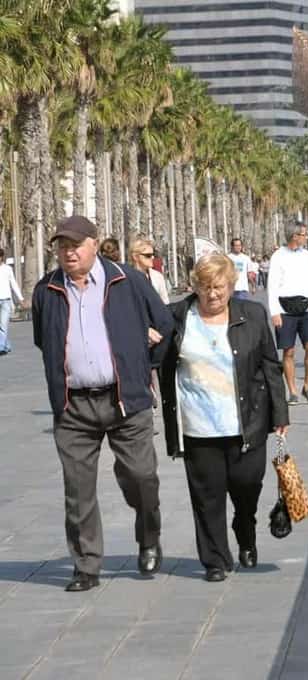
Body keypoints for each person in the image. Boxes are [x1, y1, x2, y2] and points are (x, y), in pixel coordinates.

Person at [32, 216, 173, 592]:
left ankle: (148, 536)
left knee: (141, 477)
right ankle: (86, 566)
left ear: (94, 243)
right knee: (78, 491)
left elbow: (165, 322)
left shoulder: (126, 281)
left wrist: (146, 361)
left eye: (76, 244)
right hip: (73, 406)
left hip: (125, 399)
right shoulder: (46, 290)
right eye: (62, 246)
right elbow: (44, 339)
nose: (69, 251)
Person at [158, 253, 289, 582]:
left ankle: (245, 527)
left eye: (218, 287)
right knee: (207, 496)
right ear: (194, 287)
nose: (212, 294)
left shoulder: (253, 315)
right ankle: (215, 559)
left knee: (248, 485)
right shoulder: (177, 317)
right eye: (204, 287)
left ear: (231, 286)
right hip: (198, 425)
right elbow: (156, 358)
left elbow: (271, 367)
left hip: (247, 421)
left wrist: (280, 412)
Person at [268, 222, 308, 405]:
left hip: (307, 307)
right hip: (285, 309)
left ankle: (307, 386)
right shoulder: (278, 256)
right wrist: (275, 312)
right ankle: (292, 390)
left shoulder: (307, 256)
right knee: (289, 351)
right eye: (304, 234)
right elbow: (272, 285)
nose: (306, 237)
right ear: (295, 236)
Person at [0, 247, 25, 355]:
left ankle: (1, 347)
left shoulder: (7, 269)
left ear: (1, 257)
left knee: (3, 325)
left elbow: (13, 284)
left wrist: (20, 299)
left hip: (6, 300)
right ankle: (5, 345)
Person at [129, 237, 170, 304]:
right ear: (135, 257)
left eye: (153, 254)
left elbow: (165, 303)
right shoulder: (126, 278)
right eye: (148, 255)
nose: (152, 257)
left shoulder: (158, 277)